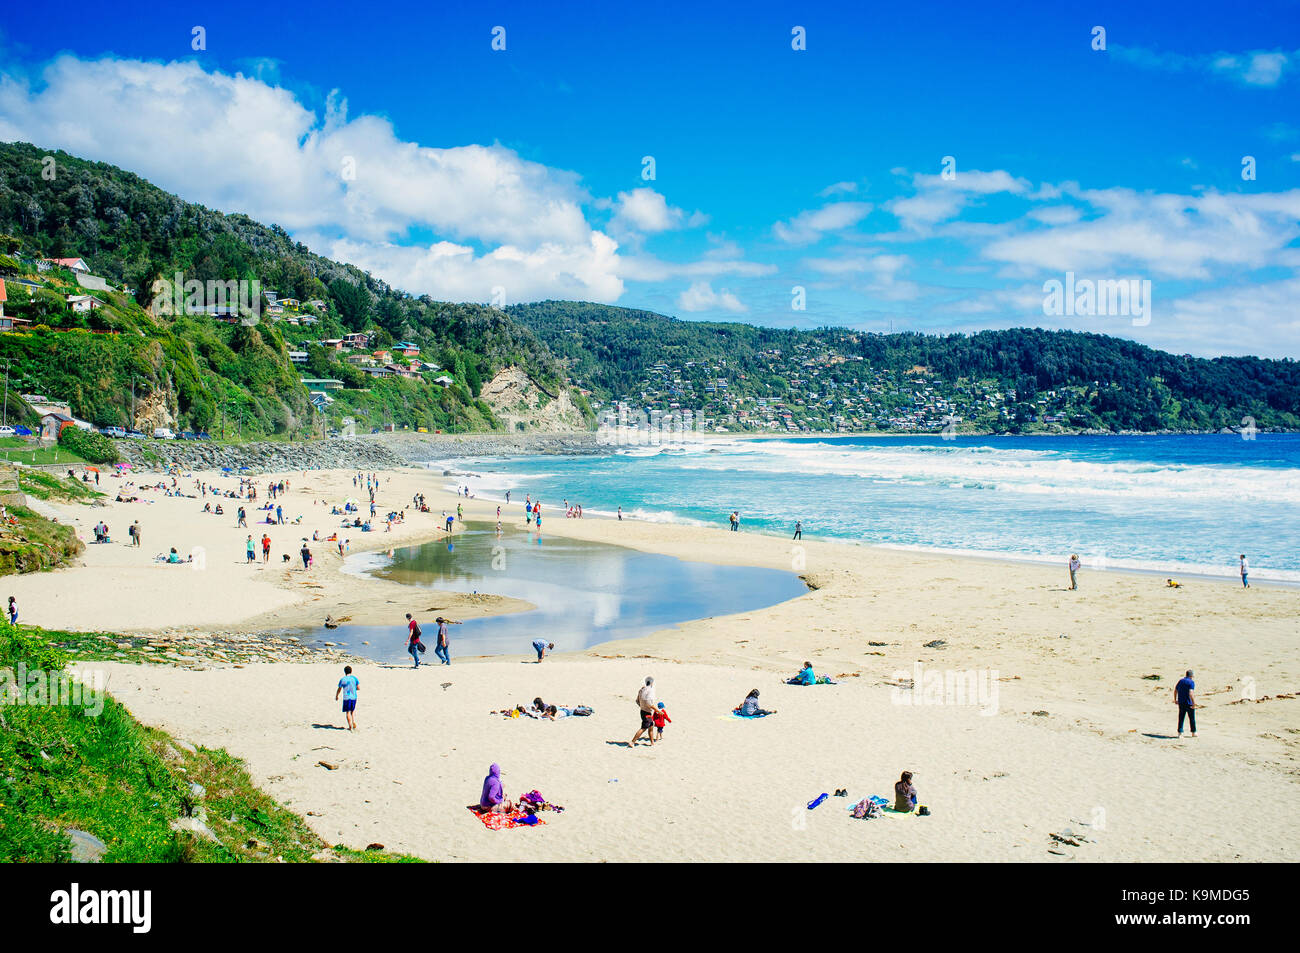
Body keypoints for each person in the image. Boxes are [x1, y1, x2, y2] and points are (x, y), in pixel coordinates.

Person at [630, 676, 657, 746]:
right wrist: (657, 710)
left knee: (651, 726)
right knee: (643, 728)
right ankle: (632, 742)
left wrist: (642, 706)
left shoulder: (641, 690)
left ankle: (652, 743)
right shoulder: (650, 690)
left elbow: (637, 701)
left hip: (642, 711)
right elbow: (649, 703)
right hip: (647, 712)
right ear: (652, 683)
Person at [335, 665, 359, 731]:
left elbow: (339, 689)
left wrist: (337, 695)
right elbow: (358, 688)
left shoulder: (342, 679)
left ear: (345, 672)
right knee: (352, 711)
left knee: (348, 712)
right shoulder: (354, 678)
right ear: (351, 671)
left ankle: (350, 726)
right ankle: (353, 722)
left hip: (346, 697)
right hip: (354, 697)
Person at [1175, 669, 1197, 737]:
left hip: (1181, 702)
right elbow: (1191, 693)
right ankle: (1193, 732)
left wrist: (1175, 699)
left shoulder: (1181, 681)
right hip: (1188, 702)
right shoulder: (1191, 682)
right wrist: (1194, 703)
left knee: (1181, 717)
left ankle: (1180, 732)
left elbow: (1175, 690)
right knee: (1192, 718)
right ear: (1191, 676)